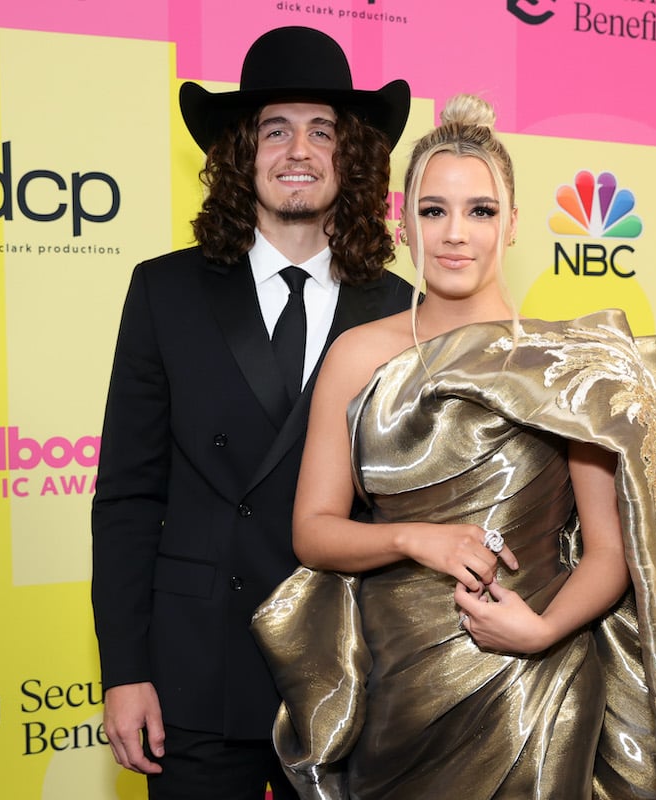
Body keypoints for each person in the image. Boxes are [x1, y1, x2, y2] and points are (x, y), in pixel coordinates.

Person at [252, 94, 656, 799]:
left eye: (481, 211)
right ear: (401, 223)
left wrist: (542, 630)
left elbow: (612, 554)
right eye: (433, 211)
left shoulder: (566, 366)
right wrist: (416, 540)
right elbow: (313, 534)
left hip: (538, 686)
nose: (455, 234)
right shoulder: (356, 356)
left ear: (514, 223)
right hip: (397, 688)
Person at [90, 26, 414, 800]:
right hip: (196, 676)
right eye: (275, 128)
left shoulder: (402, 310)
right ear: (243, 151)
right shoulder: (164, 293)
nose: (297, 149)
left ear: (352, 156)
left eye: (321, 130)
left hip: (349, 671)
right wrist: (126, 671)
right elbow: (129, 497)